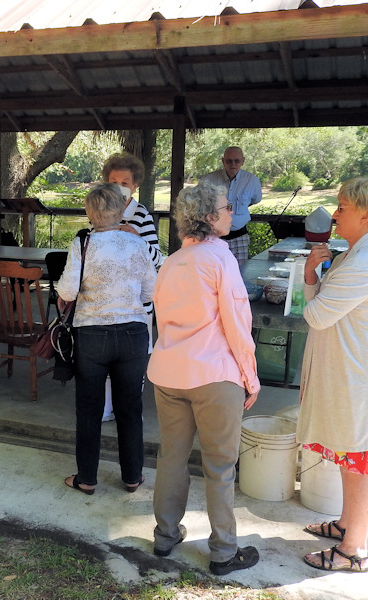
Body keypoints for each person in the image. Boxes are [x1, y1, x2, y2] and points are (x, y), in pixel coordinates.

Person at [148, 183, 261, 577]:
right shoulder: (220, 259)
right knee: (220, 465)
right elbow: (237, 324)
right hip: (214, 375)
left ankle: (165, 535)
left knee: (171, 457)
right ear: (211, 217)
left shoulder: (172, 262)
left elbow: (162, 319)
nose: (232, 212)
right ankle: (223, 551)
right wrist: (250, 376)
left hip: (169, 372)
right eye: (227, 208)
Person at [297, 175, 368, 573]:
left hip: (362, 380)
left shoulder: (365, 262)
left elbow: (316, 315)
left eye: (342, 207)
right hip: (357, 375)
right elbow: (324, 303)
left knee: (358, 465)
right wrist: (316, 275)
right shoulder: (361, 251)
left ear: (367, 214)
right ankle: (346, 524)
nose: (335, 214)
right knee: (350, 457)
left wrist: (310, 275)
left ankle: (354, 550)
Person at [56, 183, 156, 495]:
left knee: (89, 408)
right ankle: (132, 476)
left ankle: (87, 478)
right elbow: (150, 292)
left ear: (90, 212)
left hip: (92, 333)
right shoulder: (136, 243)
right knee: (130, 407)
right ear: (120, 210)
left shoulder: (83, 243)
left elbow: (67, 291)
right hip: (133, 333)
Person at [99, 152, 164, 422]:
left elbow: (158, 259)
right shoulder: (100, 211)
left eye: (125, 182)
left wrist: (137, 238)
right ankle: (106, 408)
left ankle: (129, 412)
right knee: (106, 357)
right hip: (105, 299)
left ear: (135, 185)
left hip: (136, 303)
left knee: (133, 360)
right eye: (113, 181)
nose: (119, 187)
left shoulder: (141, 215)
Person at [199, 146, 262, 264]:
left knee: (240, 271)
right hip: (213, 237)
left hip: (239, 236)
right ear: (223, 161)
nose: (233, 164)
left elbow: (255, 200)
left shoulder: (252, 181)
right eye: (229, 161)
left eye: (237, 161)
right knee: (213, 270)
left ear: (243, 161)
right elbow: (200, 204)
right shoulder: (208, 180)